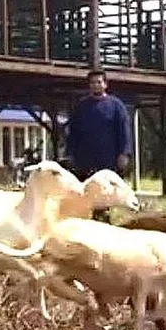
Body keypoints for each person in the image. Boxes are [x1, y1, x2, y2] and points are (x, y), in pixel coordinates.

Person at [65, 69, 133, 223]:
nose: (96, 85)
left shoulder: (116, 106)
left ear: (105, 84)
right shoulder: (82, 107)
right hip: (85, 160)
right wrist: (70, 153)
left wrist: (124, 153)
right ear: (89, 86)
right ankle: (89, 220)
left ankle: (106, 220)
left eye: (99, 82)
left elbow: (124, 131)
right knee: (87, 193)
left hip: (108, 159)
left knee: (105, 193)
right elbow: (73, 132)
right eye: (92, 83)